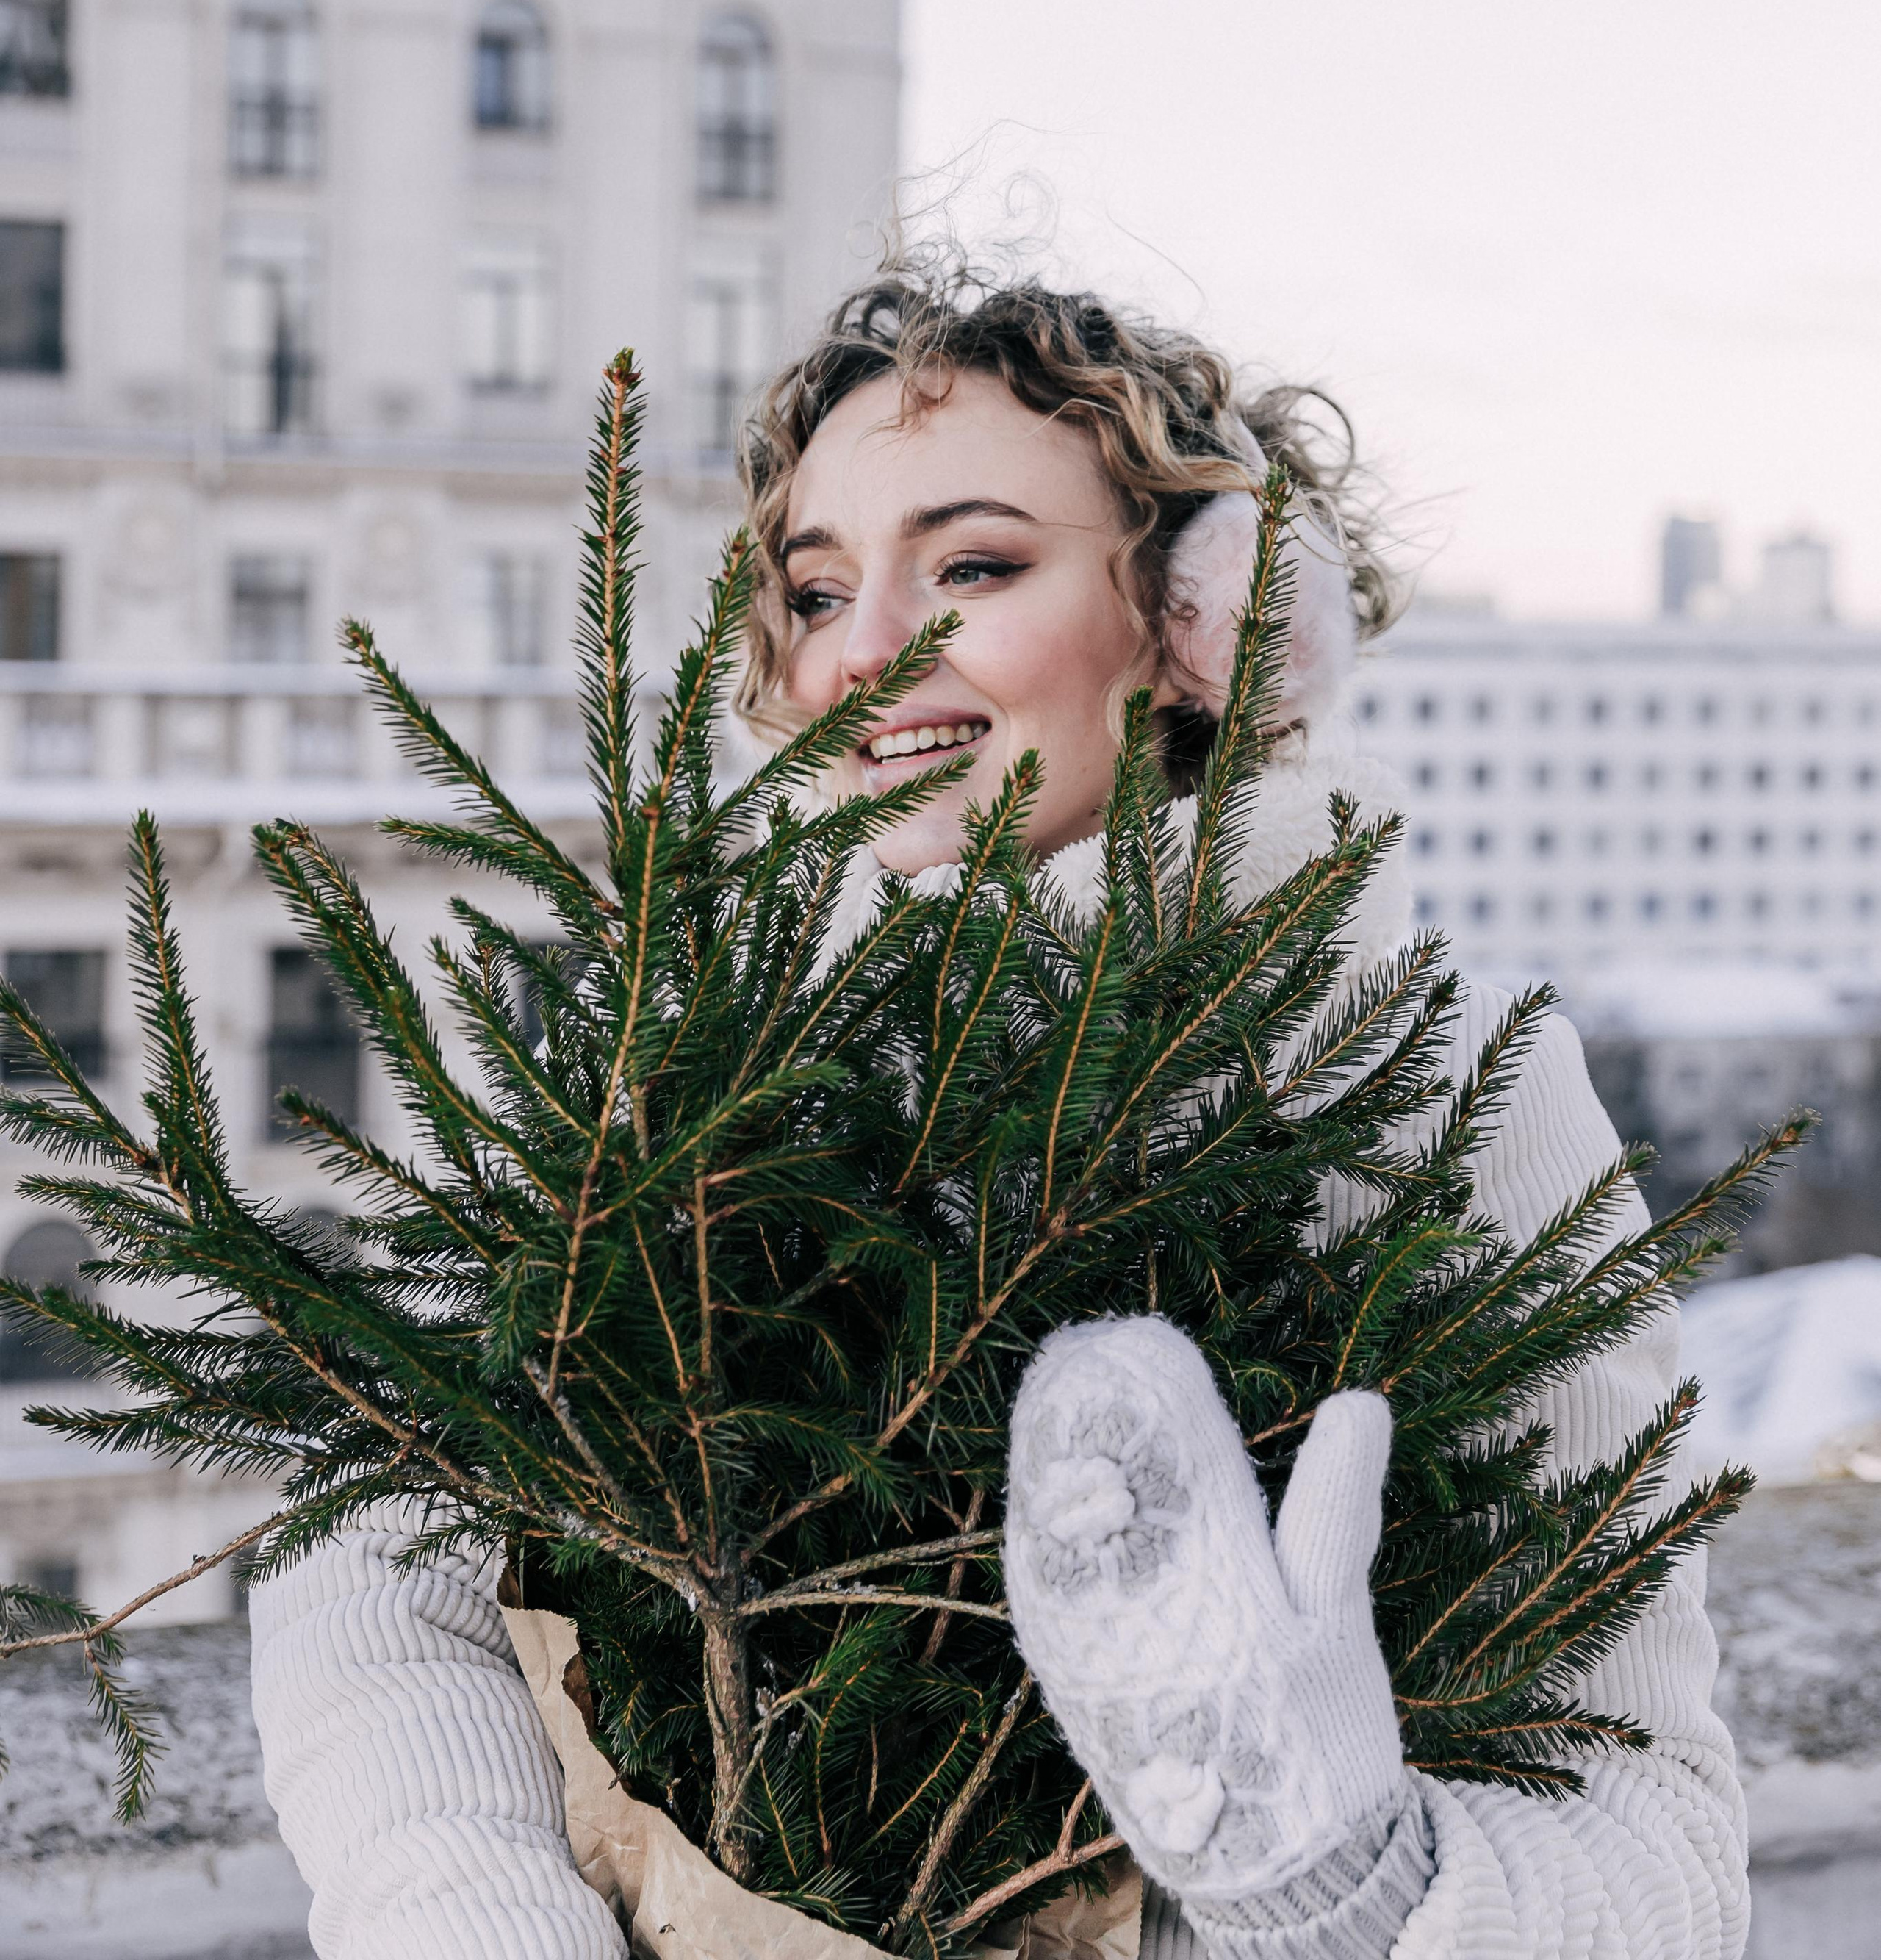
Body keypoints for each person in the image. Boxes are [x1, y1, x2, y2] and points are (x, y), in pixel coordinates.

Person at [250, 259, 1748, 1960]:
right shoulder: (675, 1052)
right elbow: (378, 1572)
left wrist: (1341, 1888)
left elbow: (1658, 1844)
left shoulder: (1434, 1083)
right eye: (816, 593)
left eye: (971, 565)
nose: (866, 652)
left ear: (1206, 625)